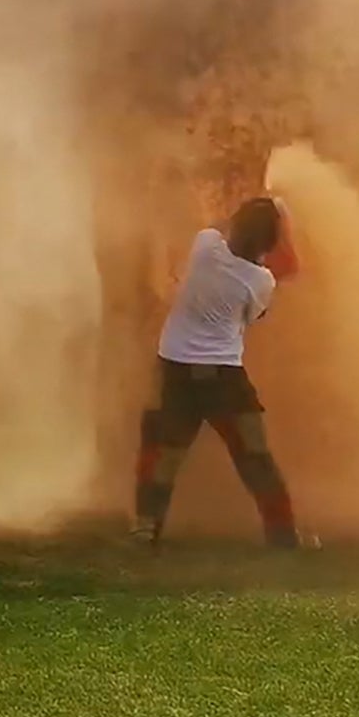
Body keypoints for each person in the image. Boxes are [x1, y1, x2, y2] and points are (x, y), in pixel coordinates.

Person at [131, 196, 307, 549]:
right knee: (255, 458)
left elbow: (219, 224)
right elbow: (254, 317)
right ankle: (283, 536)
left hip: (174, 370)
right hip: (223, 378)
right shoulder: (259, 281)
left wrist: (256, 206)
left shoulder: (205, 246)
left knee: (163, 452)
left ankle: (145, 529)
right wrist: (280, 217)